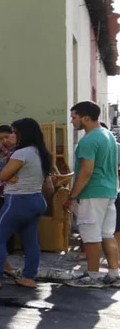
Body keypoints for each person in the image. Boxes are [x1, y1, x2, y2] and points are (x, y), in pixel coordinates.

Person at [0, 118, 52, 290]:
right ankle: (29, 277)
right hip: (36, 199)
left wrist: (8, 174)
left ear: (23, 133)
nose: (12, 136)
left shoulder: (21, 153)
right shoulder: (41, 152)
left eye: (15, 132)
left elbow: (2, 176)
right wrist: (12, 175)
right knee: (30, 241)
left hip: (18, 200)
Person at [64, 101, 120, 288]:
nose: (73, 122)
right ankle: (113, 274)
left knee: (91, 236)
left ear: (85, 118)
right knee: (107, 234)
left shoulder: (88, 140)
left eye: (74, 117)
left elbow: (86, 171)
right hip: (109, 191)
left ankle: (93, 276)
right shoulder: (108, 136)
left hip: (92, 193)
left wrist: (72, 196)